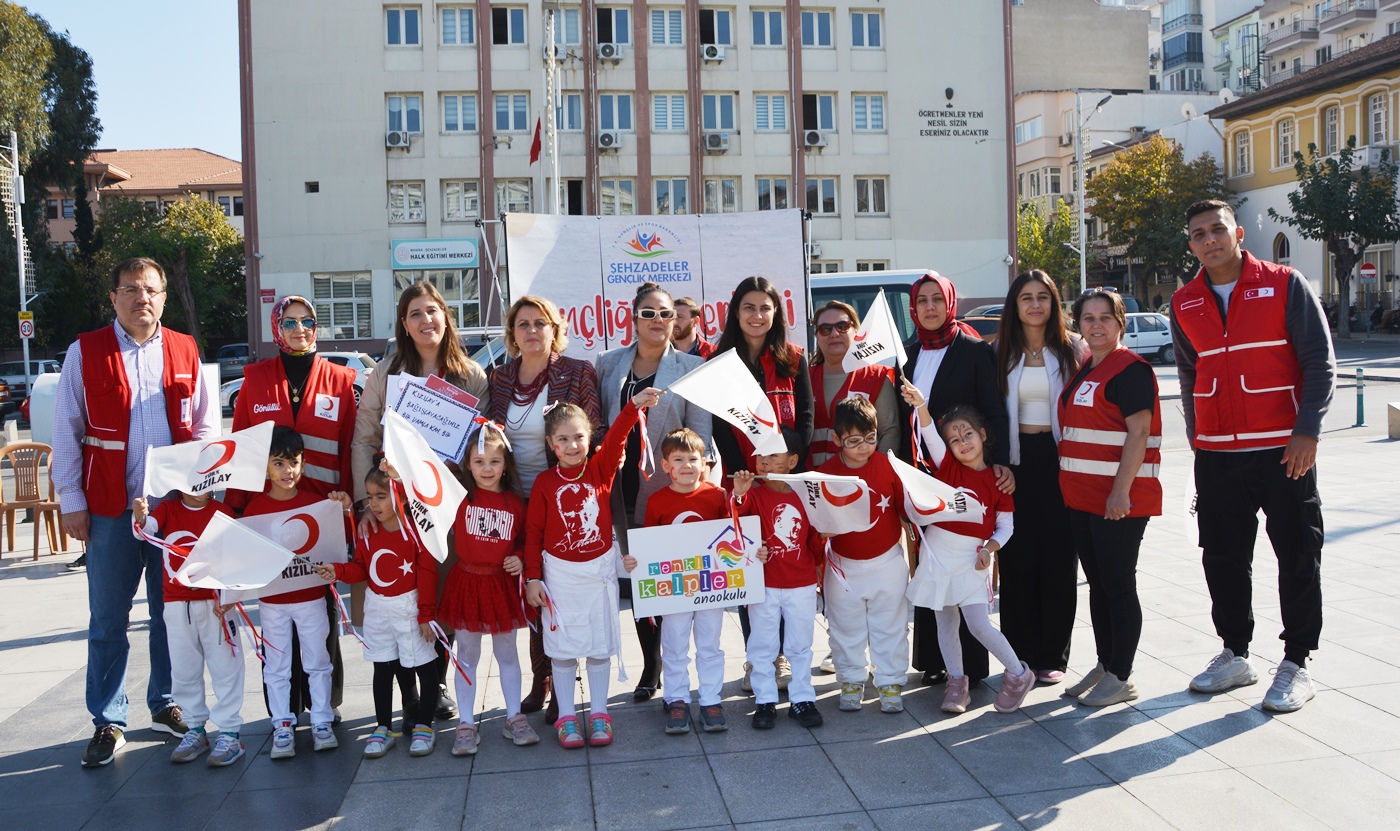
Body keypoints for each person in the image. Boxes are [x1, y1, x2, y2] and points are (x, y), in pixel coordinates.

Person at [1173, 199, 1335, 713]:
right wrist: (1198, 440)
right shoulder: (1185, 302)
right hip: (1217, 455)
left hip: (1283, 449)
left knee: (1297, 553)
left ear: (1238, 232)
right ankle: (1235, 653)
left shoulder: (1285, 283)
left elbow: (1318, 361)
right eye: (1198, 234)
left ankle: (1297, 662)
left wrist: (1306, 430)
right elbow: (1187, 375)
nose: (1209, 240)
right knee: (1221, 557)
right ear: (1191, 244)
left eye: (1217, 229)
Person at [54, 256, 215, 767]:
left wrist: (202, 492)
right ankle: (108, 719)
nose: (141, 298)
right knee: (107, 620)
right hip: (109, 511)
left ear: (164, 296)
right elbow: (66, 429)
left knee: (170, 615)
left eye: (150, 289)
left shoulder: (185, 349)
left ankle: (165, 703)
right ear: (114, 298)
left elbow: (207, 428)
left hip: (173, 514)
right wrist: (72, 503)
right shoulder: (85, 352)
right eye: (130, 289)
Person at [352, 280, 491, 723]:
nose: (425, 320)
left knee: (441, 595)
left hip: (446, 506)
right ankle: (410, 696)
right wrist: (364, 502)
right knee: (401, 598)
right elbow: (364, 438)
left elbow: (480, 444)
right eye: (415, 314)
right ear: (404, 324)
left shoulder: (471, 375)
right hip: (394, 506)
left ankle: (438, 684)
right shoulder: (386, 372)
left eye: (432, 311)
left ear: (445, 317)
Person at [230, 295, 358, 726]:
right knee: (278, 613)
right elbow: (241, 451)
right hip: (270, 516)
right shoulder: (256, 380)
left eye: (307, 321)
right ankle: (283, 710)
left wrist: (350, 509)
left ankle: (326, 705)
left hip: (322, 515)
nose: (299, 329)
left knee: (319, 611)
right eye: (289, 322)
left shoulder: (340, 379)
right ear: (275, 328)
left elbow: (348, 447)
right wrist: (236, 515)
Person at [523, 387, 662, 749]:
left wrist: (633, 407)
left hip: (598, 575)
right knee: (564, 650)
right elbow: (533, 534)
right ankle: (568, 716)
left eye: (579, 438)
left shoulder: (601, 469)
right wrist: (532, 577)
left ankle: (599, 713)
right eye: (563, 439)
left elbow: (617, 437)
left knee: (600, 647)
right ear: (551, 444)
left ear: (589, 439)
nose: (572, 446)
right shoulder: (544, 483)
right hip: (559, 578)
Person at [489, 295, 604, 724]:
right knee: (528, 589)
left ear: (555, 328)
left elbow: (594, 429)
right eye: (523, 324)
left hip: (562, 500)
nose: (532, 330)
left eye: (541, 322)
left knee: (559, 591)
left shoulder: (577, 372)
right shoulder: (500, 378)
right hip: (513, 498)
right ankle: (542, 677)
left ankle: (566, 685)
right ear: (512, 333)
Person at [596, 282, 712, 701]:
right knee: (637, 579)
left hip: (668, 491)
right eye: (649, 313)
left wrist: (701, 479)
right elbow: (598, 426)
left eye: (666, 314)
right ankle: (651, 664)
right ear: (633, 318)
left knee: (666, 581)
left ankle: (670, 661)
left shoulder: (689, 367)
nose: (659, 321)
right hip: (619, 490)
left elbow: (701, 433)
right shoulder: (608, 364)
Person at [899, 271, 1012, 688]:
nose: (930, 307)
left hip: (963, 474)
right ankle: (934, 660)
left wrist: (997, 463)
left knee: (963, 567)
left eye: (936, 299)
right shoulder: (906, 353)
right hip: (921, 477)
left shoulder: (972, 350)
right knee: (932, 563)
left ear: (949, 303)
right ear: (913, 307)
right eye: (922, 300)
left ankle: (971, 669)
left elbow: (993, 411)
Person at [1058, 289, 1162, 707]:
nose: (1096, 325)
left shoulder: (1131, 370)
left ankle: (1122, 675)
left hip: (1116, 501)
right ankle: (1106, 662)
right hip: (1082, 499)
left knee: (1118, 586)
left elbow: (1139, 432)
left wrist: (1121, 491)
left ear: (1121, 323)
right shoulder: (1088, 366)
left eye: (1105, 317)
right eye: (1088, 318)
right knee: (1098, 587)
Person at [711, 276, 815, 691]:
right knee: (752, 570)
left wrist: (786, 468)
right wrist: (746, 475)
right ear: (736, 313)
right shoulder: (721, 362)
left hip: (786, 482)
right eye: (749, 308)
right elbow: (719, 425)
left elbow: (805, 418)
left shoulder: (793, 358)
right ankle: (760, 658)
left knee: (787, 567)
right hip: (743, 482)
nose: (757, 316)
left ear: (776, 313)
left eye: (765, 308)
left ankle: (786, 657)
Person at [902, 390, 1032, 715]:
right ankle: (957, 683)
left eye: (968, 434)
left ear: (982, 434)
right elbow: (929, 434)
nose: (963, 443)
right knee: (944, 622)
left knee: (979, 625)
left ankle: (1018, 674)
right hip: (937, 554)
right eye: (955, 440)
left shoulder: (998, 481)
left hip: (972, 559)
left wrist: (990, 548)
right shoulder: (947, 468)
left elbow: (1006, 527)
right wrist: (920, 406)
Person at [993, 271, 1085, 685]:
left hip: (1059, 459)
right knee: (1016, 556)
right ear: (1014, 306)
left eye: (1043, 297)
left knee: (1059, 556)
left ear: (1054, 304)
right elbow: (990, 413)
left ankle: (1053, 654)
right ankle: (1021, 654)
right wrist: (996, 462)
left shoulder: (1073, 351)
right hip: (1013, 464)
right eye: (1026, 297)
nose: (1035, 304)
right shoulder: (997, 353)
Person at [244, 427, 354, 759]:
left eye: (293, 462)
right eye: (278, 463)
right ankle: (282, 724)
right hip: (272, 603)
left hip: (310, 597)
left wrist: (345, 508)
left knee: (318, 660)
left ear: (303, 465)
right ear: (265, 466)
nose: (287, 471)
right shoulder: (254, 511)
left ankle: (321, 719)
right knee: (276, 664)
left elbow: (343, 538)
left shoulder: (317, 504)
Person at [315, 465, 439, 759]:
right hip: (378, 608)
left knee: (424, 665)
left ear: (402, 496)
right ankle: (383, 727)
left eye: (381, 496)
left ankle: (424, 725)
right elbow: (361, 568)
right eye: (370, 496)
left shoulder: (416, 532)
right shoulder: (367, 531)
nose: (373, 504)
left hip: (409, 607)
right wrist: (338, 571)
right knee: (382, 668)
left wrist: (425, 614)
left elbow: (428, 574)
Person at [441, 421, 539, 755]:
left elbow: (527, 541)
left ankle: (514, 716)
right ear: (467, 463)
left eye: (494, 462)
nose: (487, 468)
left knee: (507, 653)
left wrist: (520, 558)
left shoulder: (515, 503)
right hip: (467, 582)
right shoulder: (458, 497)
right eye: (479, 461)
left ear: (505, 464)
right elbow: (421, 490)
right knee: (466, 655)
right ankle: (466, 723)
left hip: (501, 585)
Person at [131, 490, 243, 767]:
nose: (199, 487)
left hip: (214, 603)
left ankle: (230, 733)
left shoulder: (223, 511)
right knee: (184, 670)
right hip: (177, 603)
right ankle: (195, 728)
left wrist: (229, 596)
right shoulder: (168, 509)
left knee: (225, 668)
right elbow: (146, 531)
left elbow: (237, 556)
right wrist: (140, 516)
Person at [816, 397, 910, 713]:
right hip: (843, 567)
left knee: (891, 625)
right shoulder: (824, 473)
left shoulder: (888, 465)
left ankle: (891, 681)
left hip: (887, 561)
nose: (864, 447)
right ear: (837, 439)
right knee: (844, 627)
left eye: (871, 439)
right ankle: (852, 679)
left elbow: (908, 510)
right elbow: (815, 524)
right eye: (854, 441)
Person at [732, 427, 825, 731]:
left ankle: (802, 697)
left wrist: (824, 543)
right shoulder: (754, 493)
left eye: (774, 455)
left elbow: (814, 538)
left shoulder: (807, 493)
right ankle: (765, 699)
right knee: (763, 644)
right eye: (760, 454)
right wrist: (739, 494)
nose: (764, 461)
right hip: (765, 583)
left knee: (800, 644)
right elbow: (735, 523)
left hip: (801, 582)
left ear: (793, 460)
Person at [644, 428, 731, 734]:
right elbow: (650, 548)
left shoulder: (718, 496)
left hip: (712, 586)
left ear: (704, 462)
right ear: (666, 465)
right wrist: (636, 563)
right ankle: (677, 699)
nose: (686, 465)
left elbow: (732, 536)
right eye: (678, 459)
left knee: (710, 645)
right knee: (674, 644)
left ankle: (710, 699)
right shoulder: (657, 502)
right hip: (676, 590)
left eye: (693, 458)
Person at [807, 300, 898, 469]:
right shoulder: (803, 377)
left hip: (862, 482)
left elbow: (890, 432)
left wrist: (878, 472)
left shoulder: (876, 376)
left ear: (856, 331)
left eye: (842, 326)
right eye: (825, 329)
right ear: (816, 335)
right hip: (813, 484)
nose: (834, 333)